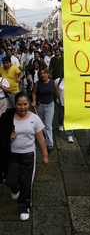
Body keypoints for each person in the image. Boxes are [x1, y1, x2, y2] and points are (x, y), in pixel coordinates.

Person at [1, 92, 48, 221]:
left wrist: (45, 155)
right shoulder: (8, 117)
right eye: (19, 104)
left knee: (26, 183)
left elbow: (41, 139)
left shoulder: (34, 118)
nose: (22, 107)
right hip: (12, 155)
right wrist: (8, 136)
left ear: (29, 104)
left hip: (28, 155)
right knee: (10, 180)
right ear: (15, 105)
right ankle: (16, 189)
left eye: (25, 104)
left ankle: (24, 206)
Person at [32, 67, 56, 152]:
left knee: (48, 125)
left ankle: (50, 144)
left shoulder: (52, 82)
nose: (42, 75)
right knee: (40, 125)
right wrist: (34, 101)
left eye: (44, 73)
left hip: (50, 105)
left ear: (47, 74)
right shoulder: (37, 83)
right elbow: (34, 93)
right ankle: (41, 140)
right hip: (40, 106)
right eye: (40, 74)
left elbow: (56, 92)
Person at [55, 74, 74, 143]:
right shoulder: (58, 80)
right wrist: (58, 97)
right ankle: (60, 124)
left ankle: (69, 135)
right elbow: (56, 89)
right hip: (61, 102)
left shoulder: (73, 80)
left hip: (70, 103)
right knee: (61, 116)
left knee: (69, 118)